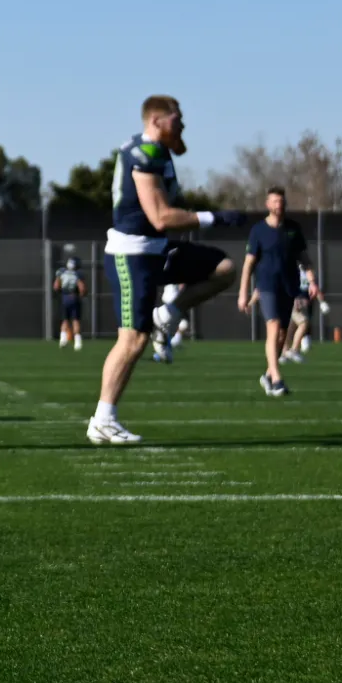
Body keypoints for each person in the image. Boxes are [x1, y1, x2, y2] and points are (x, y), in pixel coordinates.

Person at [89, 97, 242, 444]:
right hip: (133, 254)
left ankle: (167, 315)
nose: (184, 125)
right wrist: (212, 217)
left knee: (224, 269)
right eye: (178, 119)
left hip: (158, 248)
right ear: (156, 120)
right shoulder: (145, 154)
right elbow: (159, 216)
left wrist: (174, 136)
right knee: (132, 339)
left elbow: (181, 150)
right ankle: (102, 418)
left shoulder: (159, 148)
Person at [236, 187, 310, 395]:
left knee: (282, 335)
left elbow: (304, 258)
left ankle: (268, 375)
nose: (279, 205)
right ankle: (277, 379)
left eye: (282, 201)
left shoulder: (293, 229)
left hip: (289, 286)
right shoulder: (258, 230)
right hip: (267, 286)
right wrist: (243, 292)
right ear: (268, 204)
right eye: (275, 201)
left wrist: (312, 279)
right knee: (274, 326)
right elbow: (248, 264)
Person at [53, 257, 86, 348]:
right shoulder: (77, 274)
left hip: (64, 297)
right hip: (74, 297)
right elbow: (82, 288)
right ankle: (77, 343)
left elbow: (56, 286)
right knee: (75, 320)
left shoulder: (62, 272)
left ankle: (62, 340)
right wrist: (81, 295)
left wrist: (61, 293)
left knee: (65, 319)